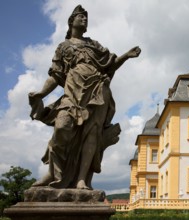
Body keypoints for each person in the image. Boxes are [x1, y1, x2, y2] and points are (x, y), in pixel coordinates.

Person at [28, 5, 141, 189]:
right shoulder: (63, 47)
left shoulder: (94, 45)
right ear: (71, 21)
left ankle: (81, 179)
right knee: (62, 127)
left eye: (86, 18)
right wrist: (41, 93)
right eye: (81, 17)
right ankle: (53, 173)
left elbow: (109, 66)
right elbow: (56, 75)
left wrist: (126, 56)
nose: (85, 20)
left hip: (98, 91)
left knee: (92, 134)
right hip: (72, 93)